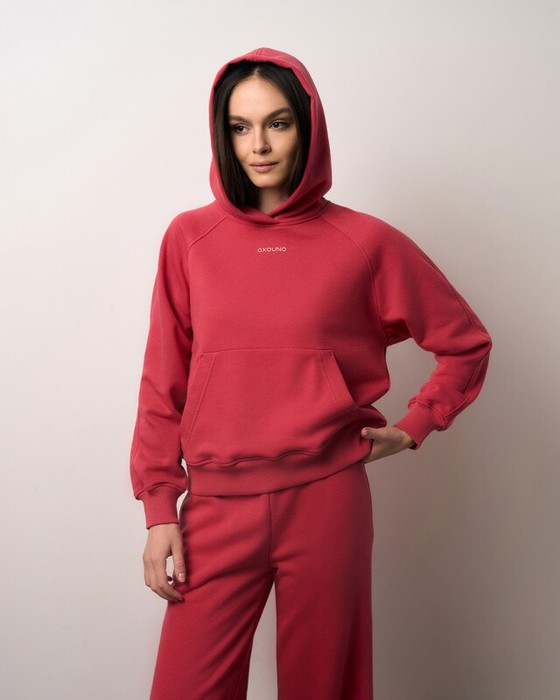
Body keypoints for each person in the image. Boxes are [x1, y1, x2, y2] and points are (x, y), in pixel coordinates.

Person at [129, 46, 492, 700]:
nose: (259, 145)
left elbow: (465, 343)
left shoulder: (366, 242)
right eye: (240, 127)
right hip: (216, 506)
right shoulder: (189, 239)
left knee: (326, 689)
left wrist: (415, 425)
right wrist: (160, 509)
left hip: (327, 501)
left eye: (278, 123)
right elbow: (163, 383)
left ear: (309, 126)